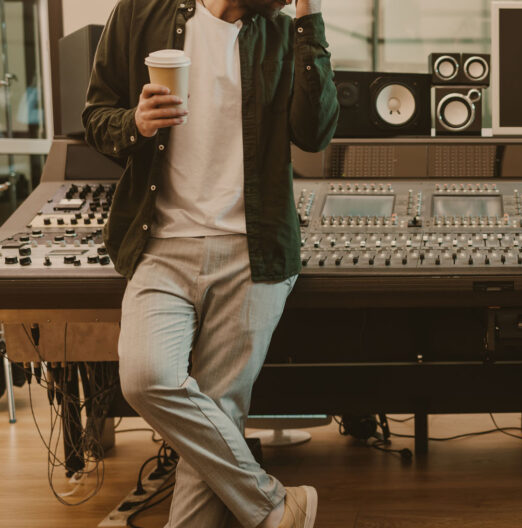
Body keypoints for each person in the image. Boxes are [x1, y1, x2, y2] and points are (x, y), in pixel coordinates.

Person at [82, 0, 338, 526]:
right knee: (145, 378)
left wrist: (311, 22)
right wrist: (137, 123)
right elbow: (96, 116)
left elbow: (314, 134)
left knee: (218, 413)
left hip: (255, 250)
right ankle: (273, 503)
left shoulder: (284, 31)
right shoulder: (138, 12)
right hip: (160, 245)